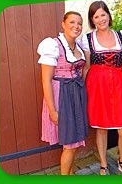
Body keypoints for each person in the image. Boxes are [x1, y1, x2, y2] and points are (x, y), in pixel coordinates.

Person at [79, 1, 122, 175]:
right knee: (101, 128)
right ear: (92, 20)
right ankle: (103, 164)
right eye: (96, 16)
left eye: (103, 14)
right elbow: (87, 66)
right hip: (97, 86)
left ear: (109, 15)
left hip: (118, 85)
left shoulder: (121, 36)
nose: (101, 19)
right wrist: (83, 91)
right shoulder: (88, 39)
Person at [37, 12, 89, 175]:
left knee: (74, 141)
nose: (76, 26)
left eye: (79, 23)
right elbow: (46, 80)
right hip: (62, 97)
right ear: (63, 24)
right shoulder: (52, 45)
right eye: (72, 22)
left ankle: (70, 172)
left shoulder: (78, 46)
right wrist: (53, 111)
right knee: (70, 143)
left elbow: (83, 70)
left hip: (76, 95)